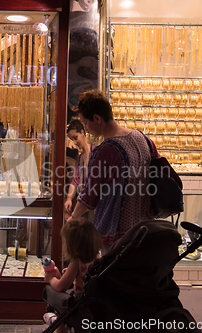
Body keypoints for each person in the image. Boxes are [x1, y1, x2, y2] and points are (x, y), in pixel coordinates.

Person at [68, 90, 157, 252]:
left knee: (114, 276)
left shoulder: (105, 150)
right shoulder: (143, 138)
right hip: (145, 230)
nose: (86, 130)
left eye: (86, 124)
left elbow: (89, 196)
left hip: (117, 235)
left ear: (97, 118)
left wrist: (72, 219)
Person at [43, 217, 102, 330]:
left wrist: (51, 278)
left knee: (60, 310)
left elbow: (61, 286)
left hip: (80, 308)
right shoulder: (100, 259)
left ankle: (56, 321)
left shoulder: (77, 263)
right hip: (98, 308)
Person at [64, 119, 94, 219]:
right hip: (82, 204)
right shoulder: (80, 158)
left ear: (82, 132)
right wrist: (69, 199)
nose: (75, 142)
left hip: (95, 205)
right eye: (72, 139)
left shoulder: (96, 152)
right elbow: (75, 181)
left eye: (75, 137)